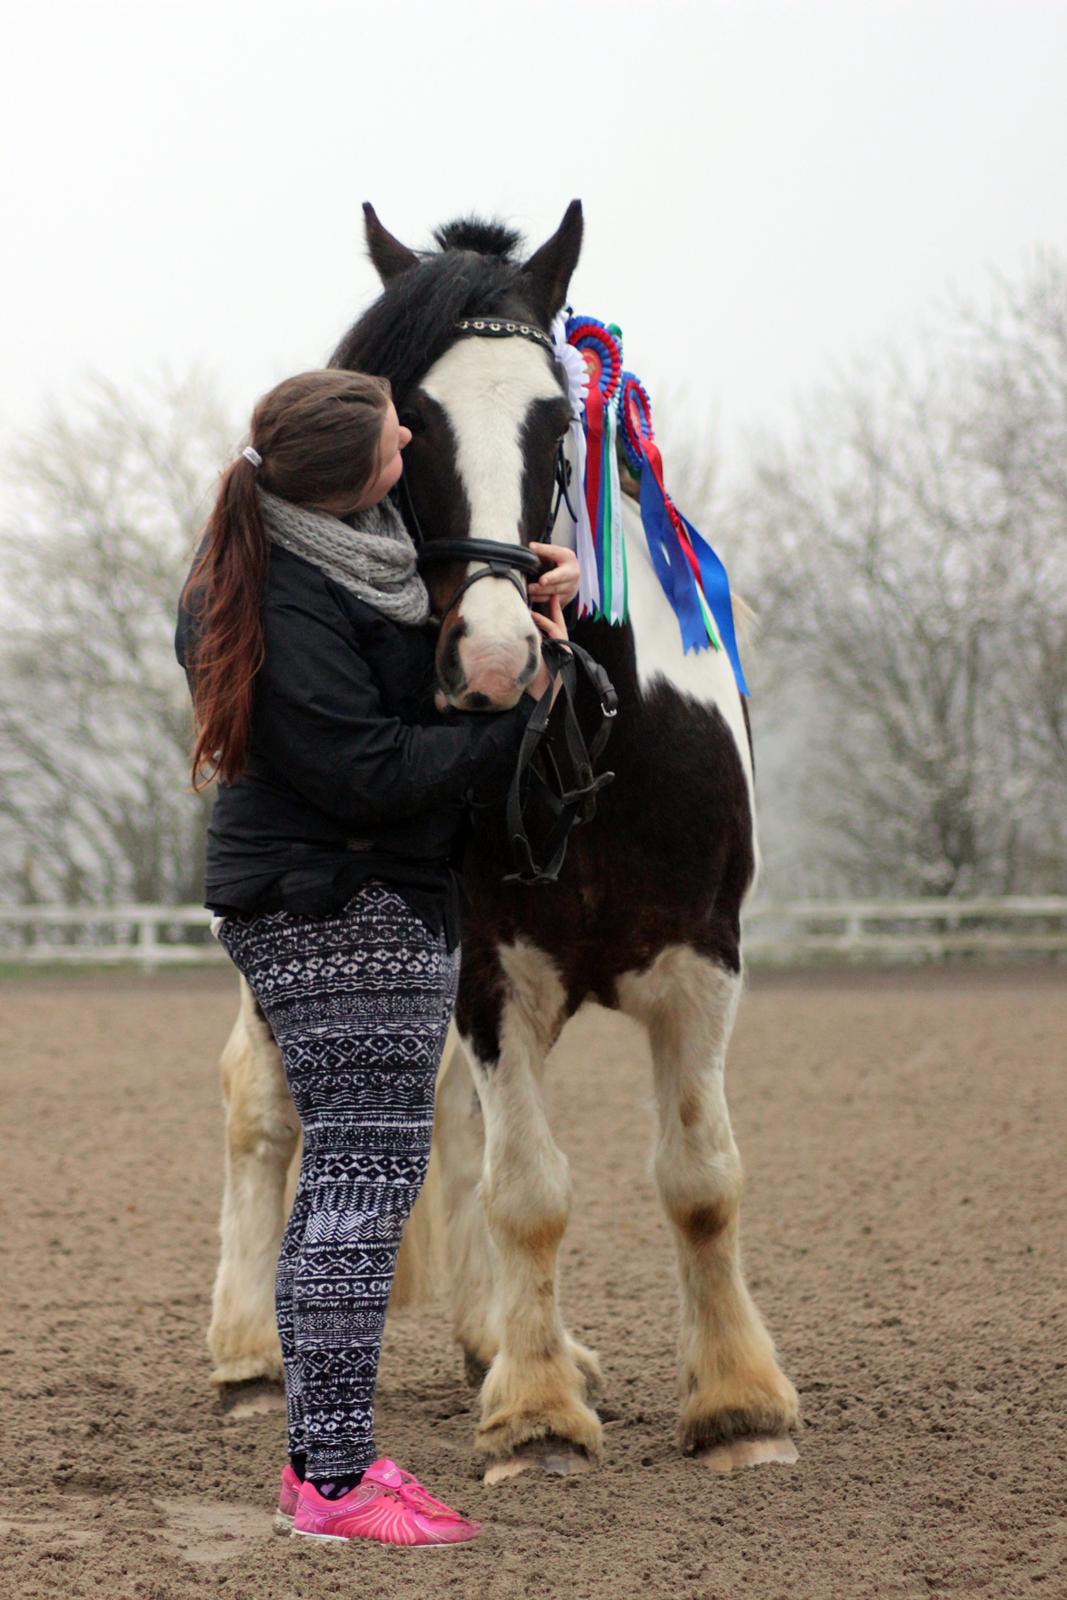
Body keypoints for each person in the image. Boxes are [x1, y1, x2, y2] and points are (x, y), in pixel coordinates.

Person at [174, 368, 578, 1548]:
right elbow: (364, 769)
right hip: (332, 899)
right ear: (356, 470)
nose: (413, 434)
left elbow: (435, 606)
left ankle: (327, 1462)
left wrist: (548, 587)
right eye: (399, 434)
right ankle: (336, 1482)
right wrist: (504, 726)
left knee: (355, 1180)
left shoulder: (345, 542)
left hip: (358, 895)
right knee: (356, 1184)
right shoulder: (282, 591)